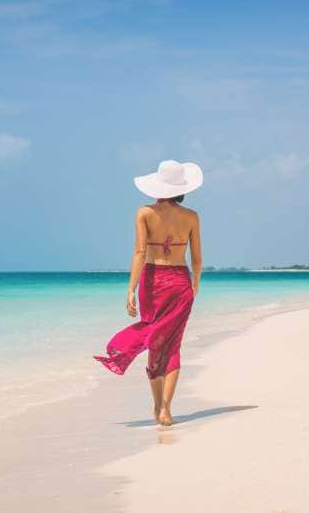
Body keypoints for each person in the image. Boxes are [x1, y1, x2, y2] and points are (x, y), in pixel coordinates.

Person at [94, 159, 203, 426]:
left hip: (152, 283)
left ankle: (156, 406)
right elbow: (197, 259)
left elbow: (140, 253)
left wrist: (130, 289)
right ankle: (167, 408)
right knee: (173, 345)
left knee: (156, 343)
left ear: (156, 187)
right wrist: (194, 284)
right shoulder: (191, 217)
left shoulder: (143, 213)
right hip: (180, 283)